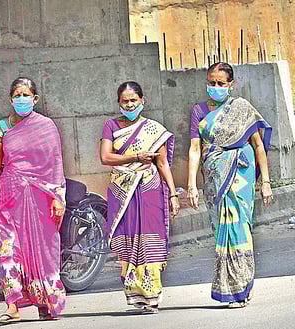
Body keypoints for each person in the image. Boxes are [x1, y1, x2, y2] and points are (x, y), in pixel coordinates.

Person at [0, 77, 66, 323]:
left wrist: (57, 197)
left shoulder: (46, 126)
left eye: (26, 95)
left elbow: (55, 164)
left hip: (41, 199)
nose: (21, 99)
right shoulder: (2, 128)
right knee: (8, 250)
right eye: (17, 95)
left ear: (35, 99)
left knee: (41, 250)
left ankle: (45, 300)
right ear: (10, 99)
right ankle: (13, 305)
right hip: (9, 196)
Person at [187, 62, 272, 307]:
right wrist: (191, 184)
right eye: (211, 83)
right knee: (220, 233)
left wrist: (265, 182)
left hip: (239, 177)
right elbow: (194, 149)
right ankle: (230, 286)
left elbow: (258, 146)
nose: (214, 87)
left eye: (220, 84)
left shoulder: (242, 108)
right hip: (214, 179)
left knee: (238, 228)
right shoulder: (199, 111)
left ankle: (241, 287)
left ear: (230, 85)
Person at [100, 81, 179, 314]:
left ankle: (152, 296)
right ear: (119, 103)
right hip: (121, 190)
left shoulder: (154, 129)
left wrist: (173, 193)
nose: (130, 104)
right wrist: (136, 156)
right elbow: (106, 157)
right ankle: (135, 297)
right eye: (125, 101)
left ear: (142, 101)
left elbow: (162, 163)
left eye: (133, 100)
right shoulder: (110, 126)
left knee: (148, 240)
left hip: (148, 189)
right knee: (126, 239)